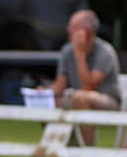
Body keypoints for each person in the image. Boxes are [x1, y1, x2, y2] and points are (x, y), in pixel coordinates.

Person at [49, 9, 121, 146]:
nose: (68, 30)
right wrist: (43, 93)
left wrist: (80, 54)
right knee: (51, 103)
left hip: (108, 101)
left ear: (87, 31)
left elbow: (88, 87)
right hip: (78, 97)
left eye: (73, 27)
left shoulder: (105, 52)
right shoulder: (67, 50)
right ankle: (60, 148)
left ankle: (86, 154)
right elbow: (60, 86)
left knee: (81, 97)